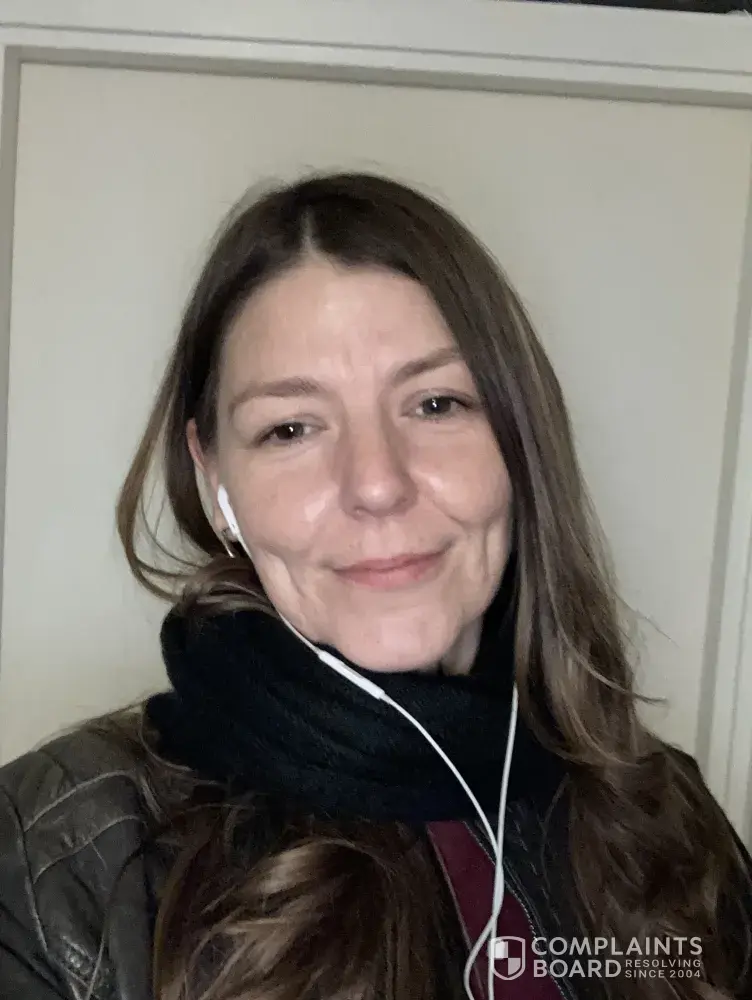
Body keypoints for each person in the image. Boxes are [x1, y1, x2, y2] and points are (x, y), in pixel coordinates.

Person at [0, 172, 749, 1000]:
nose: (378, 484)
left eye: (436, 404)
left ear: (518, 441)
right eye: (290, 427)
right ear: (216, 484)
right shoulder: (57, 859)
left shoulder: (664, 809)